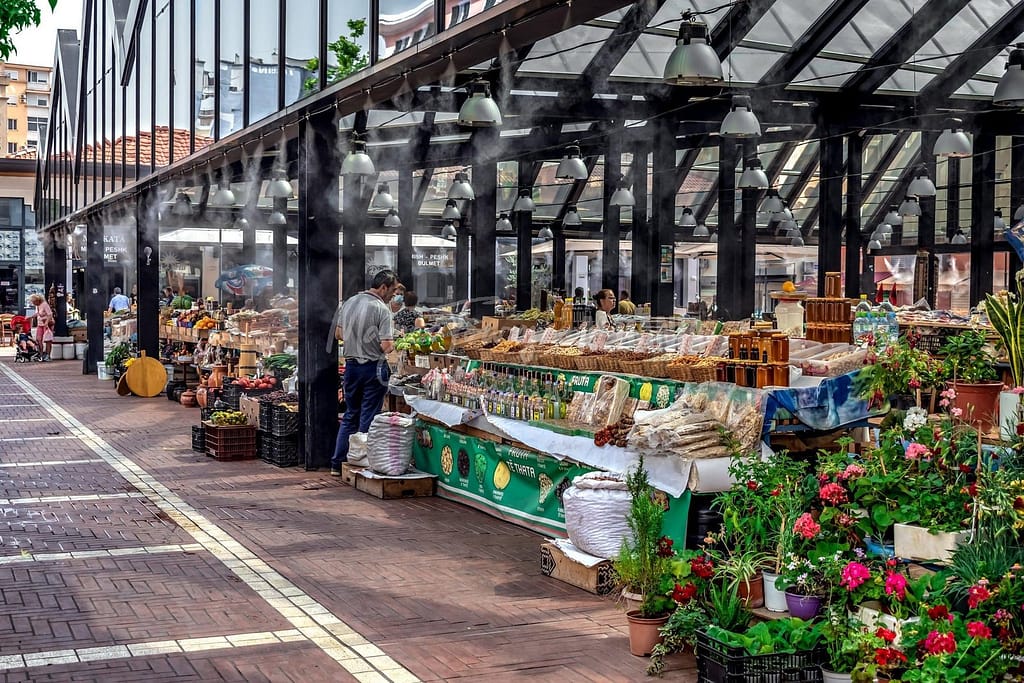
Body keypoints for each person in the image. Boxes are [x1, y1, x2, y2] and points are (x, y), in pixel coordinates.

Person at [330, 269, 401, 475]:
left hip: (351, 368)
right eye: (394, 290)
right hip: (374, 368)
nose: (394, 295)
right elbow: (387, 345)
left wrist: (357, 340)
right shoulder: (382, 309)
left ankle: (337, 463)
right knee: (369, 415)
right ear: (383, 287)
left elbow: (338, 334)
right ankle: (362, 464)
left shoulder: (349, 302)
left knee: (351, 414)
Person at [28, 293, 54, 361]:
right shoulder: (38, 305)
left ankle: (48, 355)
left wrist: (46, 322)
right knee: (38, 339)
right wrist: (31, 317)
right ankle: (41, 354)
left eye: (34, 302)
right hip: (40, 324)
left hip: (46, 324)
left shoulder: (44, 304)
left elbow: (50, 314)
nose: (33, 304)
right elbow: (38, 313)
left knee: (48, 340)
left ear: (38, 300)